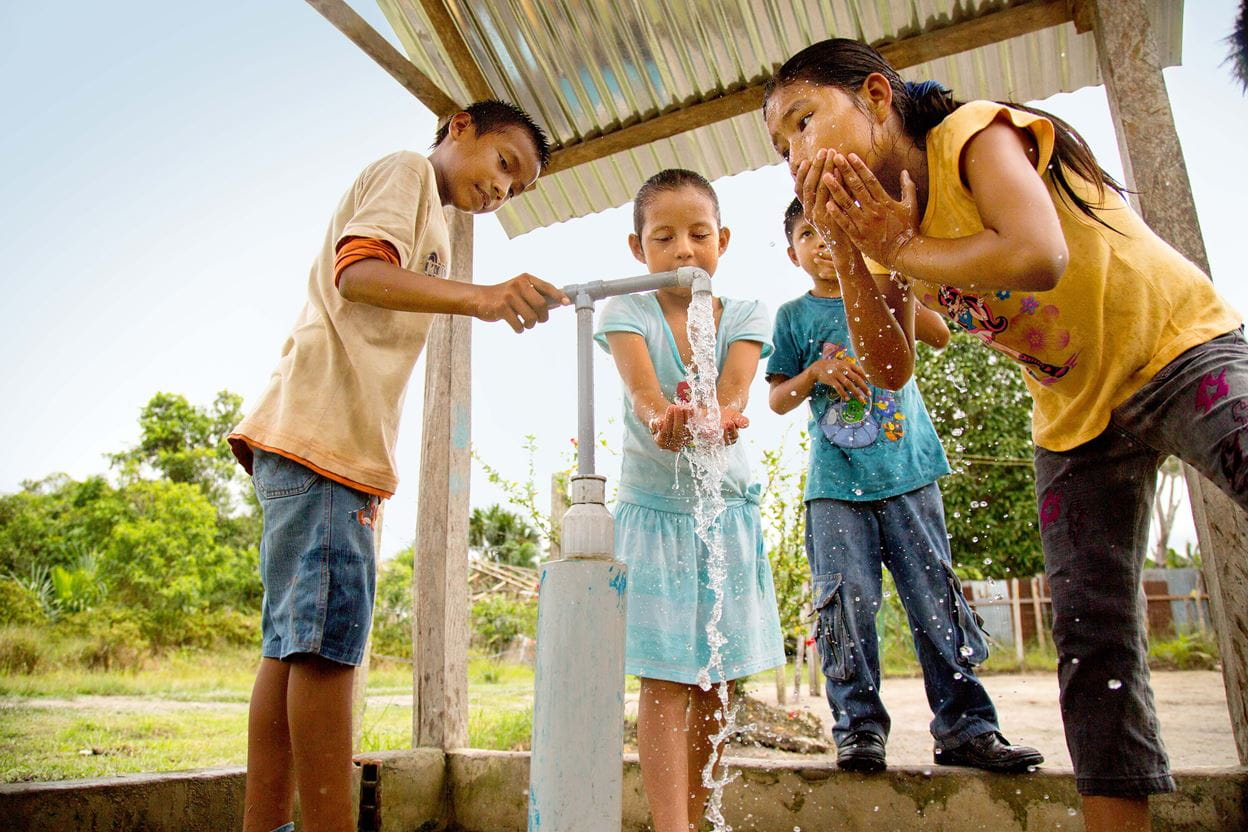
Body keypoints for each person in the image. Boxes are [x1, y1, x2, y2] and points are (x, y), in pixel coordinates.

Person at [764, 38, 1244, 832]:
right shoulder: (883, 234)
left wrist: (894, 247)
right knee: (1096, 650)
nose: (796, 156)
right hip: (1073, 417)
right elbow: (889, 367)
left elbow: (1038, 252)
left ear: (878, 98)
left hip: (1176, 345)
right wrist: (855, 251)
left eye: (805, 122)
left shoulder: (973, 137)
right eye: (783, 148)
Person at [228, 99, 568, 832]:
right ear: (458, 125)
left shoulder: (436, 224)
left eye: (516, 189)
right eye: (503, 164)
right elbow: (358, 273)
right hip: (323, 440)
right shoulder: (408, 171)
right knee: (324, 653)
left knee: (290, 649)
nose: (501, 190)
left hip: (318, 445)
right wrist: (481, 297)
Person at [766, 197, 1042, 774]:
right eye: (807, 235)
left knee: (934, 599)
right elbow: (776, 400)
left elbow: (939, 336)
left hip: (910, 474)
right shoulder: (793, 317)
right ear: (792, 252)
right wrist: (814, 374)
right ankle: (859, 729)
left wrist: (899, 277)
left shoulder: (885, 285)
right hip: (836, 487)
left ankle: (967, 727)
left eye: (833, 231)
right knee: (848, 606)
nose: (821, 243)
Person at [594, 168, 785, 832]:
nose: (683, 250)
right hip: (656, 518)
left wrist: (718, 414)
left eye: (699, 234)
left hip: (724, 514)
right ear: (636, 248)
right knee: (665, 680)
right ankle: (669, 827)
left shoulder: (747, 314)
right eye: (664, 237)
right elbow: (644, 394)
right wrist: (661, 418)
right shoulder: (626, 311)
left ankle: (702, 818)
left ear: (723, 239)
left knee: (716, 677)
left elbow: (733, 396)